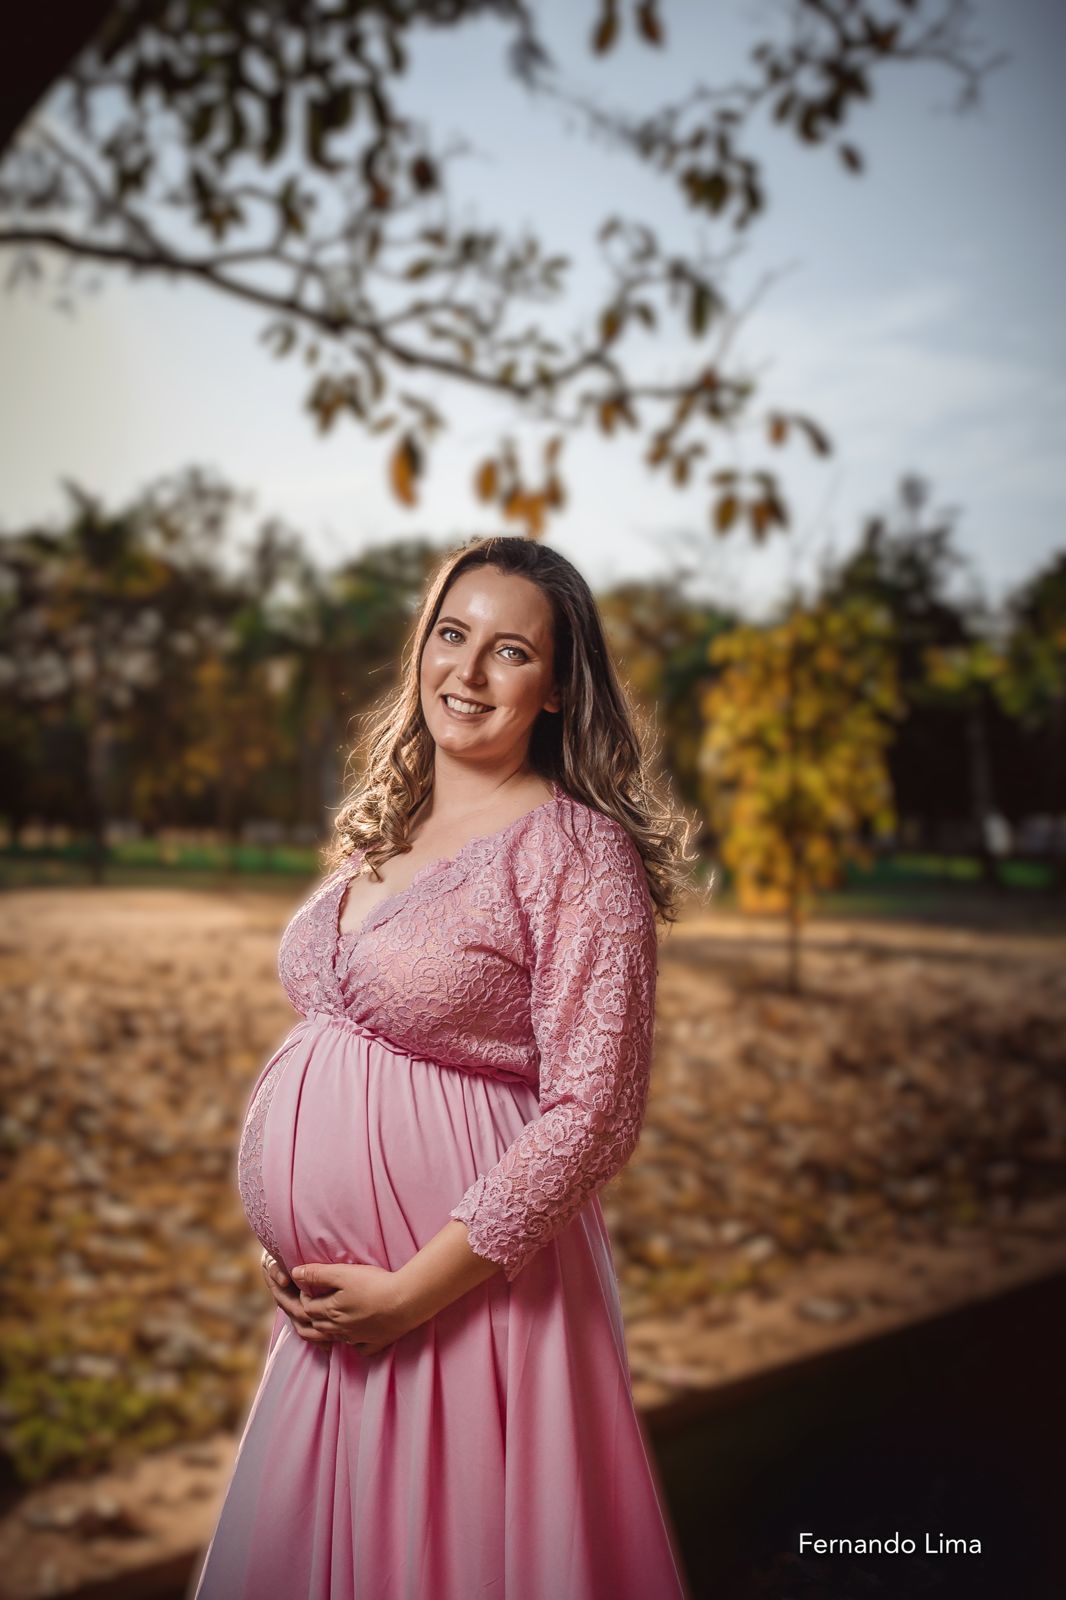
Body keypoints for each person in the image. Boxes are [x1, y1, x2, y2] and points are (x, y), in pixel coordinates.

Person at [188, 535, 696, 1600]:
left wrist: (413, 1291)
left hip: (468, 1307)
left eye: (508, 651)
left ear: (556, 686)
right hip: (338, 1332)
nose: (464, 672)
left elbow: (593, 1112)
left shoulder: (576, 850)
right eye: (450, 634)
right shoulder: (391, 822)